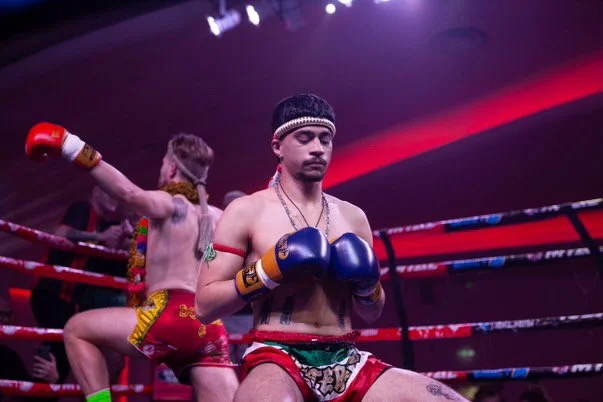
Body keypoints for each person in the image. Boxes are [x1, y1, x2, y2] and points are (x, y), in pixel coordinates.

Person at [195, 94, 468, 401]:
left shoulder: (353, 216)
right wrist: (267, 271)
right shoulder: (246, 211)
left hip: (347, 360)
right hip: (276, 356)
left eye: (325, 139)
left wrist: (367, 286)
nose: (318, 148)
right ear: (277, 146)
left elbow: (372, 312)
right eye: (305, 138)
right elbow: (204, 307)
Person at [25, 127, 238, 402]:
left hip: (168, 316)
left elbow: (128, 193)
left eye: (163, 162)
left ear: (171, 168)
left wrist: (71, 146)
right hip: (208, 326)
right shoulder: (219, 217)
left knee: (76, 329)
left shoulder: (171, 203)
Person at [30, 186, 131, 385]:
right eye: (109, 192)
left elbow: (122, 250)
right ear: (95, 191)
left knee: (72, 358)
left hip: (72, 301)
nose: (114, 198)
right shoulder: (83, 209)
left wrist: (126, 235)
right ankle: (40, 394)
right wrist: (101, 237)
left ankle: (46, 393)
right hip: (54, 293)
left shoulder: (106, 225)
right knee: (63, 356)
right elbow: (61, 233)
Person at [0, 295, 59, 402]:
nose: (5, 320)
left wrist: (51, 382)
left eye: (8, 315)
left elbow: (30, 398)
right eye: (0, 314)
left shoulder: (8, 357)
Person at [219, 190, 254, 364]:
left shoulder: (255, 235)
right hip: (222, 313)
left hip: (247, 315)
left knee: (248, 364)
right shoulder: (216, 235)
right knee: (221, 365)